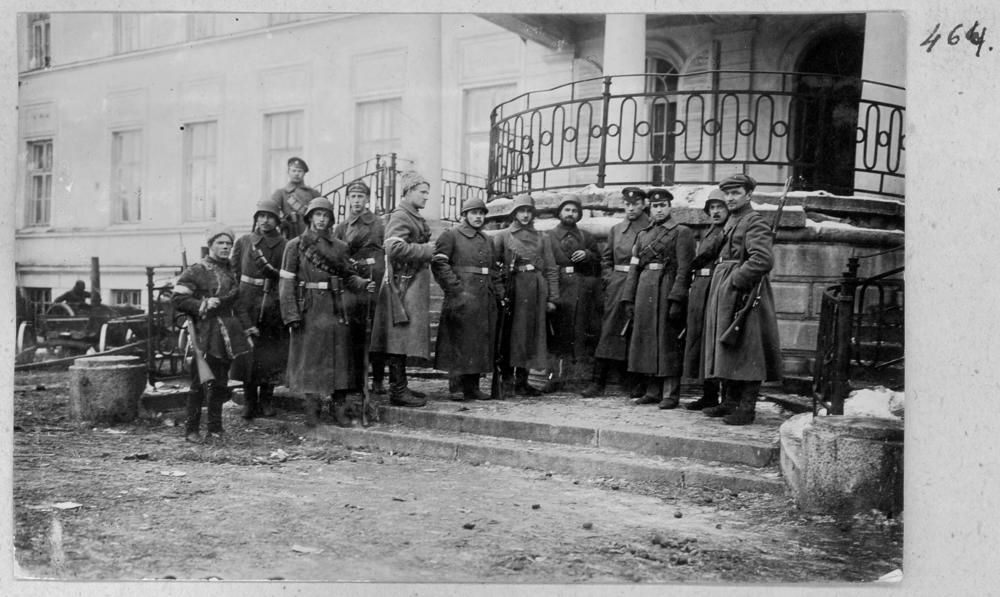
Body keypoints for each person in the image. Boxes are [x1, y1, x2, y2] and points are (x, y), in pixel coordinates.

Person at [279, 197, 374, 427]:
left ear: (331, 219)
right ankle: (312, 407)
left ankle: (338, 406)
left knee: (339, 358)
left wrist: (363, 283)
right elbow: (286, 283)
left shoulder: (340, 247)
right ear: (310, 217)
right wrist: (291, 314)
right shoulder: (295, 245)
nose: (321, 219)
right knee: (310, 359)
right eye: (317, 214)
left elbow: (348, 276)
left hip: (335, 307)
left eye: (325, 216)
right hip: (309, 308)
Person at [701, 174, 783, 425]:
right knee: (729, 347)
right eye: (727, 193)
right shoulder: (733, 220)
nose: (730, 198)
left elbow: (762, 259)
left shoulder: (754, 221)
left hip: (746, 291)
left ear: (748, 195)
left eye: (735, 193)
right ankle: (730, 401)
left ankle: (747, 408)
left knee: (748, 348)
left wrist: (735, 280)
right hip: (726, 288)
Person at [172, 224, 250, 443]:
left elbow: (237, 302)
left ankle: (215, 428)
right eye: (220, 243)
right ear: (210, 245)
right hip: (205, 333)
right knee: (199, 382)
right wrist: (203, 304)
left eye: (228, 244)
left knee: (220, 383)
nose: (225, 247)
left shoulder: (230, 270)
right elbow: (178, 299)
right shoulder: (197, 270)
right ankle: (191, 430)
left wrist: (247, 329)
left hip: (227, 334)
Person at [620, 188, 695, 409]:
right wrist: (628, 298)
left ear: (670, 207)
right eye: (655, 206)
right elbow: (634, 268)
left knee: (667, 341)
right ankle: (652, 391)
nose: (659, 210)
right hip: (644, 290)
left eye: (663, 205)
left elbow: (684, 268)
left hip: (666, 288)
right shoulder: (642, 235)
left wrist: (677, 298)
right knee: (646, 341)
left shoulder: (681, 232)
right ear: (649, 208)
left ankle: (670, 394)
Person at [370, 171, 435, 407]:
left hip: (410, 282)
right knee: (398, 338)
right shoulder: (401, 215)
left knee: (403, 338)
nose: (426, 197)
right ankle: (397, 391)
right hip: (402, 286)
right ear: (408, 191)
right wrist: (427, 250)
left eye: (427, 192)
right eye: (422, 192)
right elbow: (393, 248)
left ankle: (401, 386)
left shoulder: (412, 216)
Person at [581, 187, 650, 398]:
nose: (631, 208)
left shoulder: (651, 228)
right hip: (618, 283)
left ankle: (636, 383)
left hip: (641, 283)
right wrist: (610, 279)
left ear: (643, 204)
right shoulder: (617, 229)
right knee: (609, 330)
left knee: (638, 331)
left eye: (635, 204)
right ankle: (598, 382)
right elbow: (606, 259)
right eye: (627, 204)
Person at [430, 198, 501, 401]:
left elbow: (493, 270)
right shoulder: (451, 235)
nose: (478, 217)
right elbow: (439, 264)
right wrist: (456, 290)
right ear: (464, 215)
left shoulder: (487, 240)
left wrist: (499, 293)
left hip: (483, 296)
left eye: (481, 213)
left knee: (478, 341)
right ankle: (457, 387)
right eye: (474, 213)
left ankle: (473, 386)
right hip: (461, 297)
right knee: (458, 340)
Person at [492, 193, 559, 397]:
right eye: (521, 211)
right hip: (513, 289)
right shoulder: (504, 236)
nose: (525, 215)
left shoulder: (542, 238)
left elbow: (551, 268)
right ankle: (506, 380)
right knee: (510, 336)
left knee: (530, 335)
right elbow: (494, 268)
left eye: (529, 211)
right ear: (514, 213)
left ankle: (523, 381)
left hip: (535, 290)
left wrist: (553, 298)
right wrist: (500, 292)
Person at [231, 197, 288, 420]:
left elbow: (285, 276)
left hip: (271, 303)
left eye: (270, 217)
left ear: (277, 221)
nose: (265, 221)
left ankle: (266, 400)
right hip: (246, 302)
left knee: (269, 353)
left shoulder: (284, 245)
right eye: (261, 216)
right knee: (248, 353)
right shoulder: (244, 242)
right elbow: (234, 271)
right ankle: (249, 401)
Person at [333, 179, 387, 398]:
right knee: (354, 331)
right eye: (353, 196)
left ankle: (378, 379)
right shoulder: (341, 227)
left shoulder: (377, 223)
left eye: (360, 196)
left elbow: (382, 252)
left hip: (373, 279)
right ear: (348, 199)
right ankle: (356, 379)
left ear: (367, 199)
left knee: (375, 330)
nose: (356, 201)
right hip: (352, 283)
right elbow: (338, 255)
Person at [545, 197, 602, 392]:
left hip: (580, 290)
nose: (570, 214)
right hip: (557, 286)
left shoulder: (586, 237)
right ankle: (553, 377)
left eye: (574, 211)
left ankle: (576, 377)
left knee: (578, 333)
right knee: (555, 333)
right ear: (559, 212)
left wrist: (588, 255)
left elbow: (599, 264)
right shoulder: (549, 236)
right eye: (567, 210)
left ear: (579, 215)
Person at [683, 188, 731, 411]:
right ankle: (709, 394)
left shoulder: (728, 231)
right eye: (712, 208)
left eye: (720, 207)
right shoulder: (710, 231)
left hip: (716, 286)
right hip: (701, 288)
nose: (715, 212)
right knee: (701, 341)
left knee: (717, 340)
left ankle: (726, 397)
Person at [271, 157, 321, 239]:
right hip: (290, 232)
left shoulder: (313, 193)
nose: (296, 174)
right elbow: (272, 210)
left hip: (309, 231)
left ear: (304, 173)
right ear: (288, 172)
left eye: (299, 171)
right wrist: (282, 221)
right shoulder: (280, 193)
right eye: (294, 171)